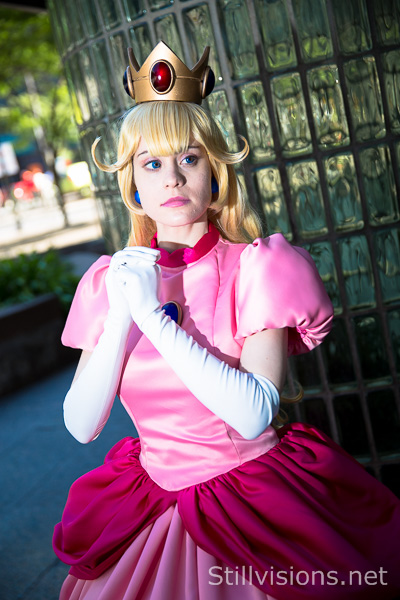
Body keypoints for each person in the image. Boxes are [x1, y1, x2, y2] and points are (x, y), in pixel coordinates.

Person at [53, 42, 400, 600]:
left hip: (252, 504)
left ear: (214, 173)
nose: (172, 178)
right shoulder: (108, 281)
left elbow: (253, 414)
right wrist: (121, 312)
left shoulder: (259, 267)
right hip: (150, 505)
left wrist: (152, 317)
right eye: (152, 163)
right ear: (133, 186)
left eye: (189, 159)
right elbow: (81, 425)